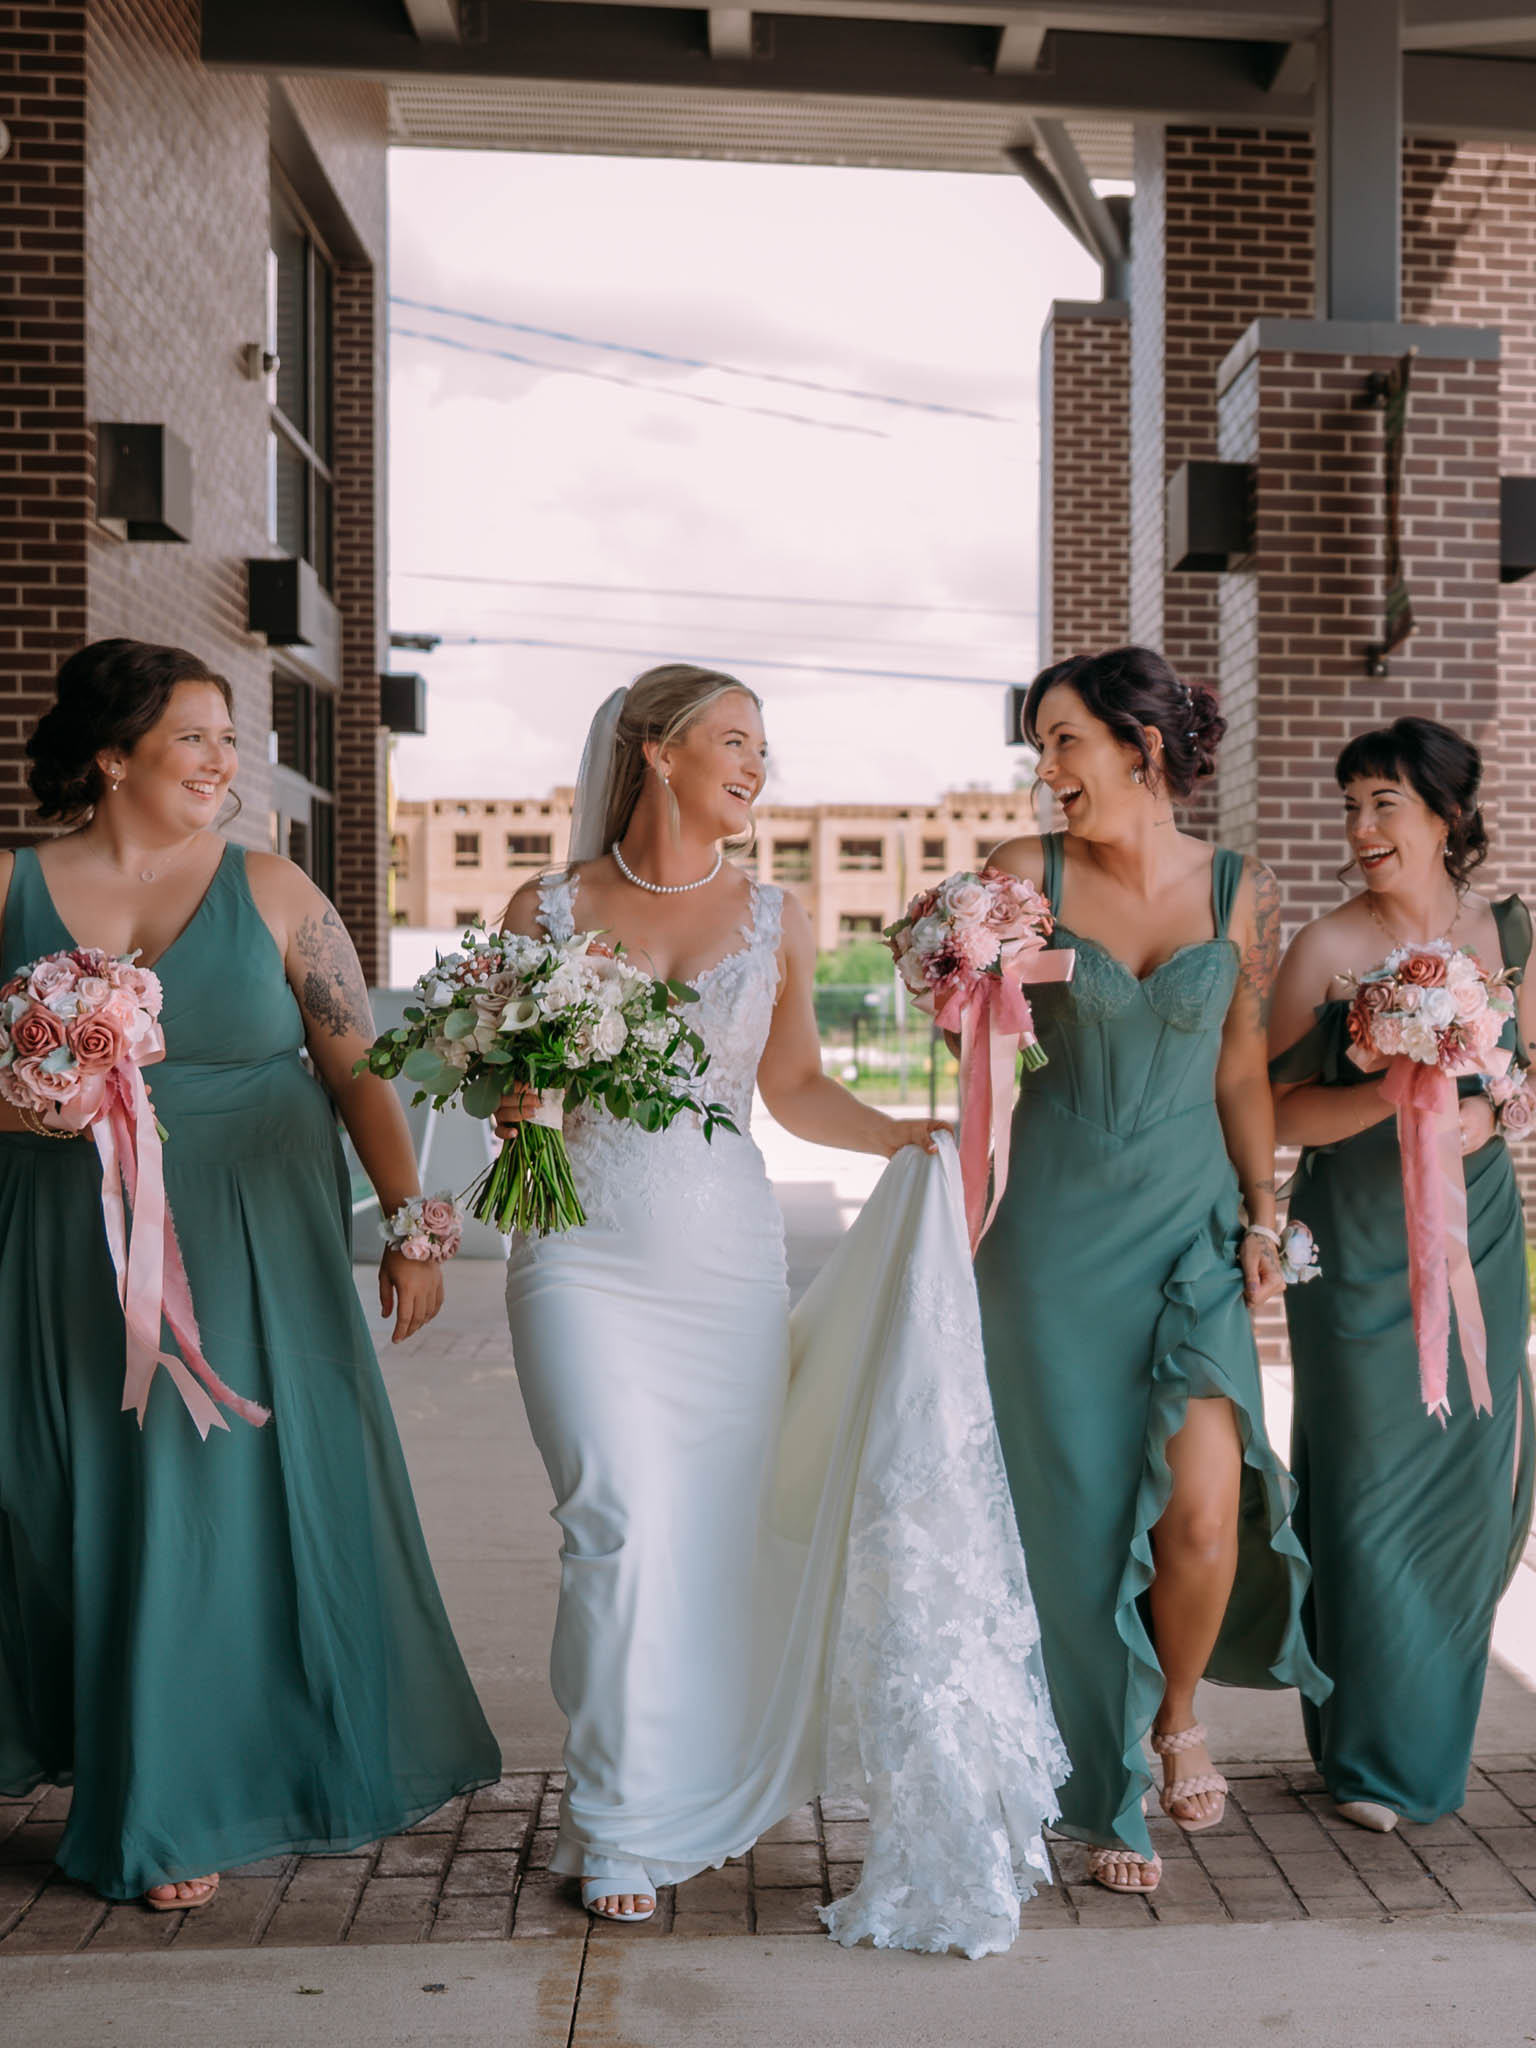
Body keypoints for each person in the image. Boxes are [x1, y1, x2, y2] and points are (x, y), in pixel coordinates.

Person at [497, 663, 1068, 1951]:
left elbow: (795, 1082)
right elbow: (499, 1079)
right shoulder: (542, 908)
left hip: (722, 1260)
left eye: (765, 748)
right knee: (614, 1522)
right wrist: (512, 1100)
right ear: (655, 750)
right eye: (734, 741)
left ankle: (621, 1805)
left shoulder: (775, 915)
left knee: (702, 1536)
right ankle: (622, 1812)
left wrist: (901, 1139)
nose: (758, 767)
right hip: (576, 1247)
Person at [0, 639, 500, 1909]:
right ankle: (96, 1749)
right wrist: (26, 1103)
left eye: (233, 737)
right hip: (62, 1248)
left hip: (257, 1251)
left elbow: (360, 1071)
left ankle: (180, 1800)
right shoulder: (9, 886)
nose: (228, 761)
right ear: (113, 757)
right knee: (69, 1504)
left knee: (218, 1514)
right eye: (197, 737)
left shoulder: (277, 891)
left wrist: (410, 1220)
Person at [976, 647, 1329, 1896]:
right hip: (1053, 1238)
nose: (1046, 767)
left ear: (1142, 746)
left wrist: (1260, 1210)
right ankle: (1102, 1777)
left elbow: (1240, 1062)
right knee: (1068, 1521)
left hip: (1188, 1225)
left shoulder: (1240, 888)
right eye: (1039, 745)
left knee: (1204, 1508)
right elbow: (973, 1033)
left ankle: (1178, 1710)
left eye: (1064, 739)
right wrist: (954, 972)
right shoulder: (1023, 878)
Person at [1268, 716, 1535, 1831]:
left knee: (1475, 1499)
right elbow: (1276, 1110)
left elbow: (1527, 1079)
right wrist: (1391, 1087)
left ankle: (1424, 1726)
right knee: (1368, 1498)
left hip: (1478, 1233)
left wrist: (1489, 1108)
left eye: (1383, 802)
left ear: (1446, 816)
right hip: (1357, 1249)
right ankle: (1374, 1758)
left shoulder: (1509, 933)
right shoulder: (1326, 951)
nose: (1360, 827)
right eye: (1350, 804)